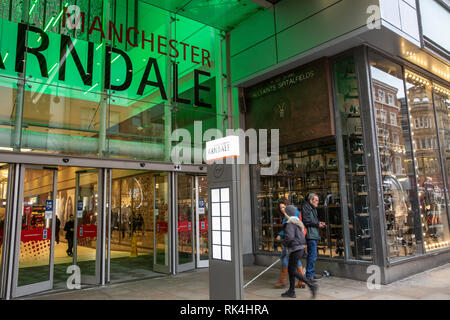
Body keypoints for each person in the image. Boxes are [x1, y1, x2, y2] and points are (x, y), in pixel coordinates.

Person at [281, 205, 317, 299]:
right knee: (291, 270)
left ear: (287, 213)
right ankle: (291, 291)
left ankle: (311, 285)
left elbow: (289, 237)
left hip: (295, 249)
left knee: (292, 271)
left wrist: (284, 243)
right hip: (299, 249)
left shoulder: (290, 223)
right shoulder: (297, 222)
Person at [274, 199, 306, 289]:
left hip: (293, 241)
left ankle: (284, 281)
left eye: (283, 207)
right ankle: (301, 281)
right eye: (281, 208)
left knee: (285, 257)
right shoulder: (289, 214)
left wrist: (281, 236)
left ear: (287, 206)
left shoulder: (292, 213)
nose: (282, 209)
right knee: (293, 259)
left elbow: (290, 227)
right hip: (295, 241)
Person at [302, 193, 327, 281]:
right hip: (310, 234)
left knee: (313, 255)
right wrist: (317, 224)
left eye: (318, 200)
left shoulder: (312, 208)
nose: (318, 202)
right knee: (312, 255)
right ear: (310, 200)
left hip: (313, 233)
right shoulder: (306, 207)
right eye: (316, 200)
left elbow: (312, 220)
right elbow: (306, 221)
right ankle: (309, 275)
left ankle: (311, 273)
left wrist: (319, 223)